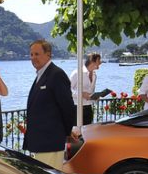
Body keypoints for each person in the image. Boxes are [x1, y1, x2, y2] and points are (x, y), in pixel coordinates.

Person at [24, 39, 76, 167]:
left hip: (49, 142)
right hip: (40, 142)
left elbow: (67, 107)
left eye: (37, 54)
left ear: (48, 54)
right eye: (31, 54)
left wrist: (67, 131)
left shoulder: (56, 75)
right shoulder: (41, 75)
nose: (33, 58)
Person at [70, 52, 107, 124]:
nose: (100, 63)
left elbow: (90, 92)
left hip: (88, 108)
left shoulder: (94, 76)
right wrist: (81, 94)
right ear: (93, 61)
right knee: (76, 131)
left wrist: (95, 97)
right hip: (76, 108)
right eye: (99, 60)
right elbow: (67, 90)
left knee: (87, 132)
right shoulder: (77, 73)